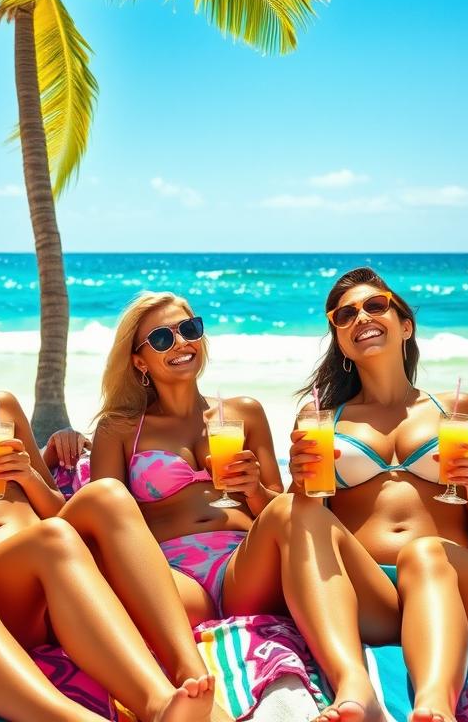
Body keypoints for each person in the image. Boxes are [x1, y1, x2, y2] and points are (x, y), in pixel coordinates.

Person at [0, 269, 217, 722]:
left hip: (44, 571)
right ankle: (154, 703)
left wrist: (30, 476)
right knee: (53, 539)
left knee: (106, 493)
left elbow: (56, 509)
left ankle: (186, 669)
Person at [92, 290, 383, 722]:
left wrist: (252, 491)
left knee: (290, 509)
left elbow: (280, 508)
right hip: (172, 576)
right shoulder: (119, 428)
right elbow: (105, 519)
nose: (180, 343)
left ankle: (355, 688)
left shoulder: (244, 413)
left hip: (242, 567)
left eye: (189, 330)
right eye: (161, 339)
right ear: (138, 360)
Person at [288, 267, 468, 722]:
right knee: (288, 511)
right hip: (371, 596)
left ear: (405, 325)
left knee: (425, 553)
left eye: (375, 305)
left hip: (458, 584)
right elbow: (307, 526)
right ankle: (355, 689)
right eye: (344, 315)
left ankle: (434, 706)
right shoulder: (320, 419)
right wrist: (298, 483)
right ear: (341, 342)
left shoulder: (456, 409)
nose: (360, 317)